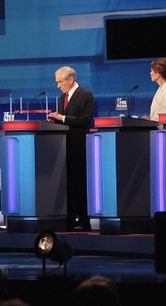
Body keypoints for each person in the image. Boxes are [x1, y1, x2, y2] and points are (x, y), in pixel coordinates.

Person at [48, 66, 95, 231]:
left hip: (79, 146)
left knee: (80, 184)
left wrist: (62, 118)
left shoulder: (86, 95)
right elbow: (63, 120)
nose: (58, 85)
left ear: (71, 80)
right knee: (67, 185)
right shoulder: (63, 97)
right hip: (64, 147)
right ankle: (69, 219)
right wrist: (55, 121)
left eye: (60, 82)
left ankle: (84, 219)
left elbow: (85, 120)